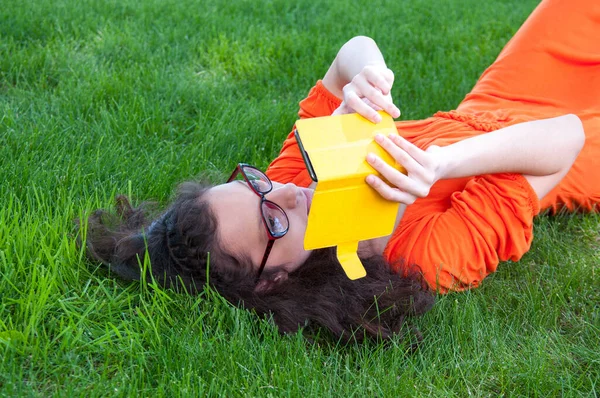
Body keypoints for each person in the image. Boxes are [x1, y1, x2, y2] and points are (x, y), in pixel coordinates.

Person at [84, 0, 598, 341]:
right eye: (272, 223)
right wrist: (442, 165)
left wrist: (370, 80)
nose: (285, 193)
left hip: (499, 98)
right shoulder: (418, 258)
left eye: (254, 186)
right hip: (567, 142)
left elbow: (352, 51)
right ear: (271, 281)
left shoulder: (292, 183)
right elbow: (566, 138)